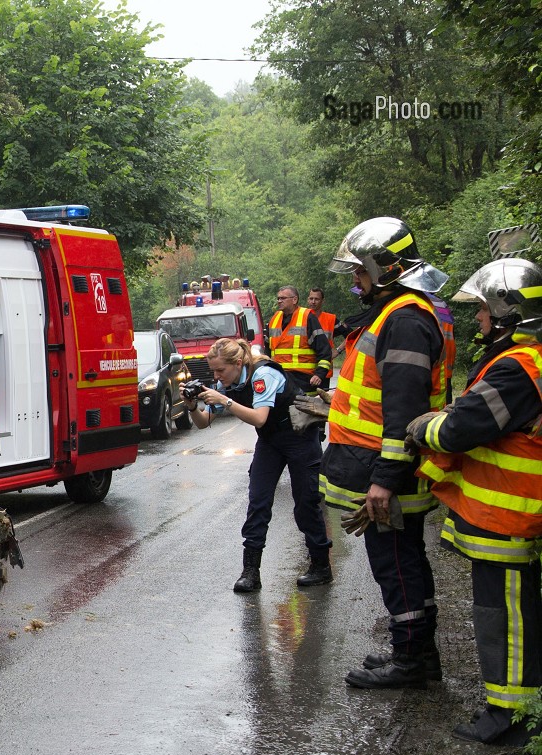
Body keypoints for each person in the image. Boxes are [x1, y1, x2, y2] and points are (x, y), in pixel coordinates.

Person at [410, 258, 542, 744]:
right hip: (512, 511)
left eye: (485, 309)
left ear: (509, 312)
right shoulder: (529, 361)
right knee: (511, 610)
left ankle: (511, 717)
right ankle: (518, 707)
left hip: (506, 513)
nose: (479, 319)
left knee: (503, 614)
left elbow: (462, 427)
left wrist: (423, 425)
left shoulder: (516, 369)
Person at [320, 216, 454, 689]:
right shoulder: (403, 313)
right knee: (404, 560)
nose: (355, 282)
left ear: (388, 270)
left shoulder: (405, 320)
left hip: (389, 471)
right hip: (389, 465)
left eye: (360, 272)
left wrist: (384, 479)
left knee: (396, 565)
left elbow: (404, 410)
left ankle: (412, 661)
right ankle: (417, 653)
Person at [187, 337, 333, 592]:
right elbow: (202, 423)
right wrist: (191, 406)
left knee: (306, 502)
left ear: (238, 362)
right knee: (258, 501)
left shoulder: (263, 374)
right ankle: (250, 572)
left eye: (221, 370)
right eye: (213, 371)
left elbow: (259, 418)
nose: (217, 376)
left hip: (299, 437)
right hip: (271, 441)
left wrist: (223, 400)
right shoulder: (229, 382)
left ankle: (321, 566)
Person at [266, 285, 333, 391]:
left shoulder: (308, 317)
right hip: (279, 378)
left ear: (294, 299)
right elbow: (267, 351)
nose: (279, 301)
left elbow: (324, 350)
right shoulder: (274, 319)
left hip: (303, 380)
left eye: (283, 298)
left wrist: (319, 374)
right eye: (278, 298)